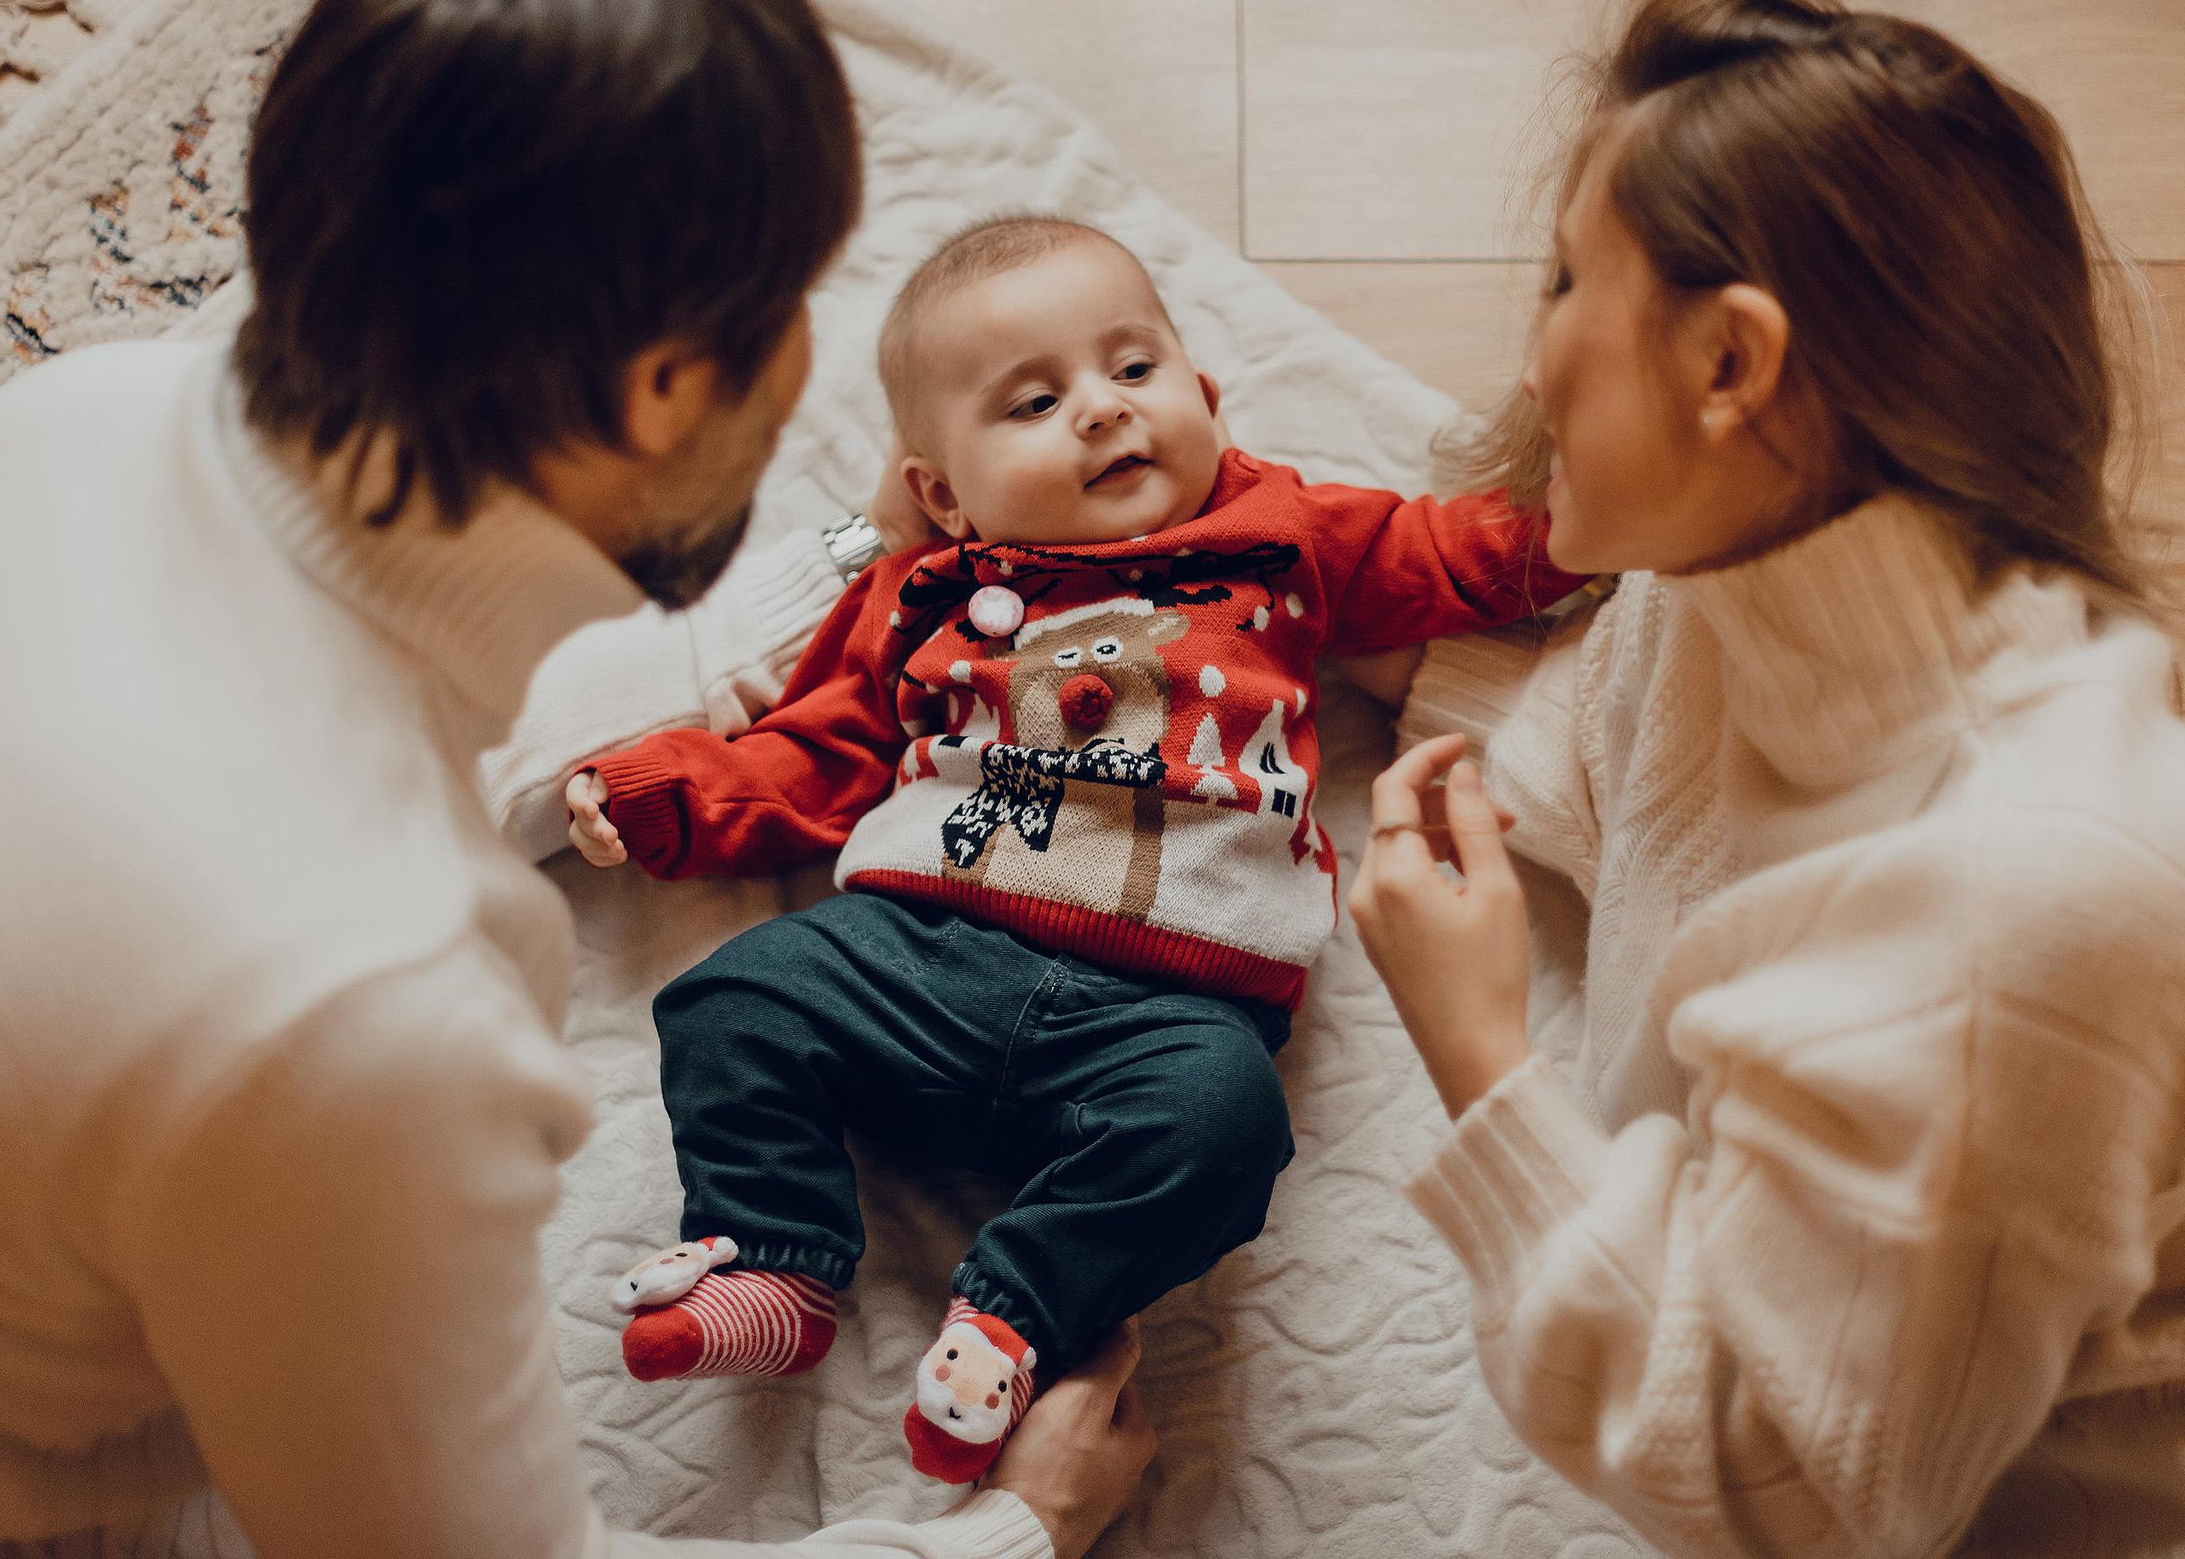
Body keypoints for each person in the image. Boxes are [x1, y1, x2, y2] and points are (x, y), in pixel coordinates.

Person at [0, 0, 1150, 1559]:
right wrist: (1012, 1533)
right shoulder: (363, 1012)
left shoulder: (56, 423)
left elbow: (451, 689)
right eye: (797, 300)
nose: (814, 352)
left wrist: (856, 553)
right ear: (666, 389)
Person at [1347, 0, 2185, 1555]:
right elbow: (1632, 770)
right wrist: (1353, 646)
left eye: (1565, 282)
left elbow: (1786, 1485)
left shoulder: (2026, 909)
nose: (1533, 363)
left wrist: (1482, 1059)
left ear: (1730, 365)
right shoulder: (1730, 586)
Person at [558, 216, 1582, 1485]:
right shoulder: (922, 593)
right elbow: (816, 749)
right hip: (919, 955)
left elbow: (1447, 553)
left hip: (1171, 1014)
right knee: (731, 1001)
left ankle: (1012, 1319)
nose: (1102, 409)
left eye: (1135, 369)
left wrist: (1574, 514)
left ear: (1207, 396)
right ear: (941, 493)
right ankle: (775, 1262)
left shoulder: (1282, 535)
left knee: (1227, 1125)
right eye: (1035, 403)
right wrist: (663, 792)